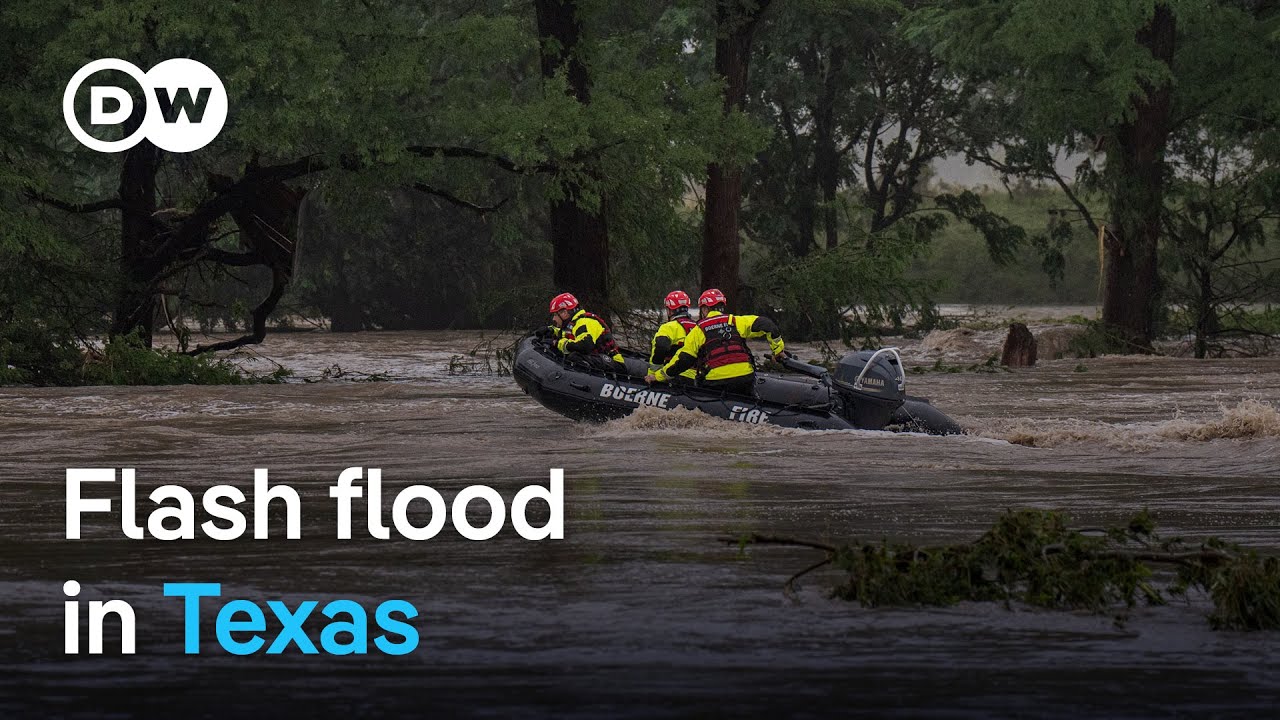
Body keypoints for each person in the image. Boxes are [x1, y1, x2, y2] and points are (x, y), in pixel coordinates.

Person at [645, 288, 785, 396]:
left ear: (705, 308)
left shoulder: (700, 329)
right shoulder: (736, 321)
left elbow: (684, 360)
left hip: (717, 383)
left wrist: (658, 376)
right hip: (745, 379)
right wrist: (778, 351)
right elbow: (768, 325)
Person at [546, 292, 625, 368]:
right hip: (599, 358)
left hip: (613, 363)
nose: (554, 318)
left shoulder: (584, 323)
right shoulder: (575, 322)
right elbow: (567, 333)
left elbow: (585, 345)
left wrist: (558, 343)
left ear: (564, 313)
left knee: (574, 356)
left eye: (555, 315)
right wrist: (551, 330)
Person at [648, 290, 698, 383]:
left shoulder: (668, 327)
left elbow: (660, 347)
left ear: (670, 310)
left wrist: (654, 374)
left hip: (673, 376)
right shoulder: (698, 327)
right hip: (694, 378)